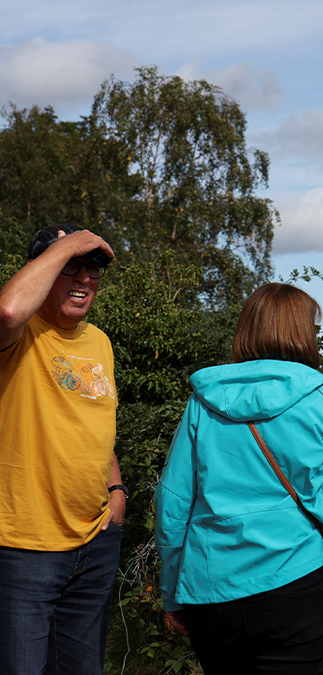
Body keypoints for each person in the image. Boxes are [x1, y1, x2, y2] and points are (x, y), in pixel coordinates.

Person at [154, 282, 323, 675]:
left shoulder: (203, 401)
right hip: (295, 580)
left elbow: (173, 504)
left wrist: (172, 592)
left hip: (209, 585)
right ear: (305, 333)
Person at [0, 224, 124, 675]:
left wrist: (117, 488)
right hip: (23, 547)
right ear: (42, 268)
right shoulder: (19, 334)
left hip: (95, 542)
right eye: (70, 265)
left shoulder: (100, 342)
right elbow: (9, 310)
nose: (85, 277)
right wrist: (72, 242)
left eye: (93, 269)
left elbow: (93, 422)